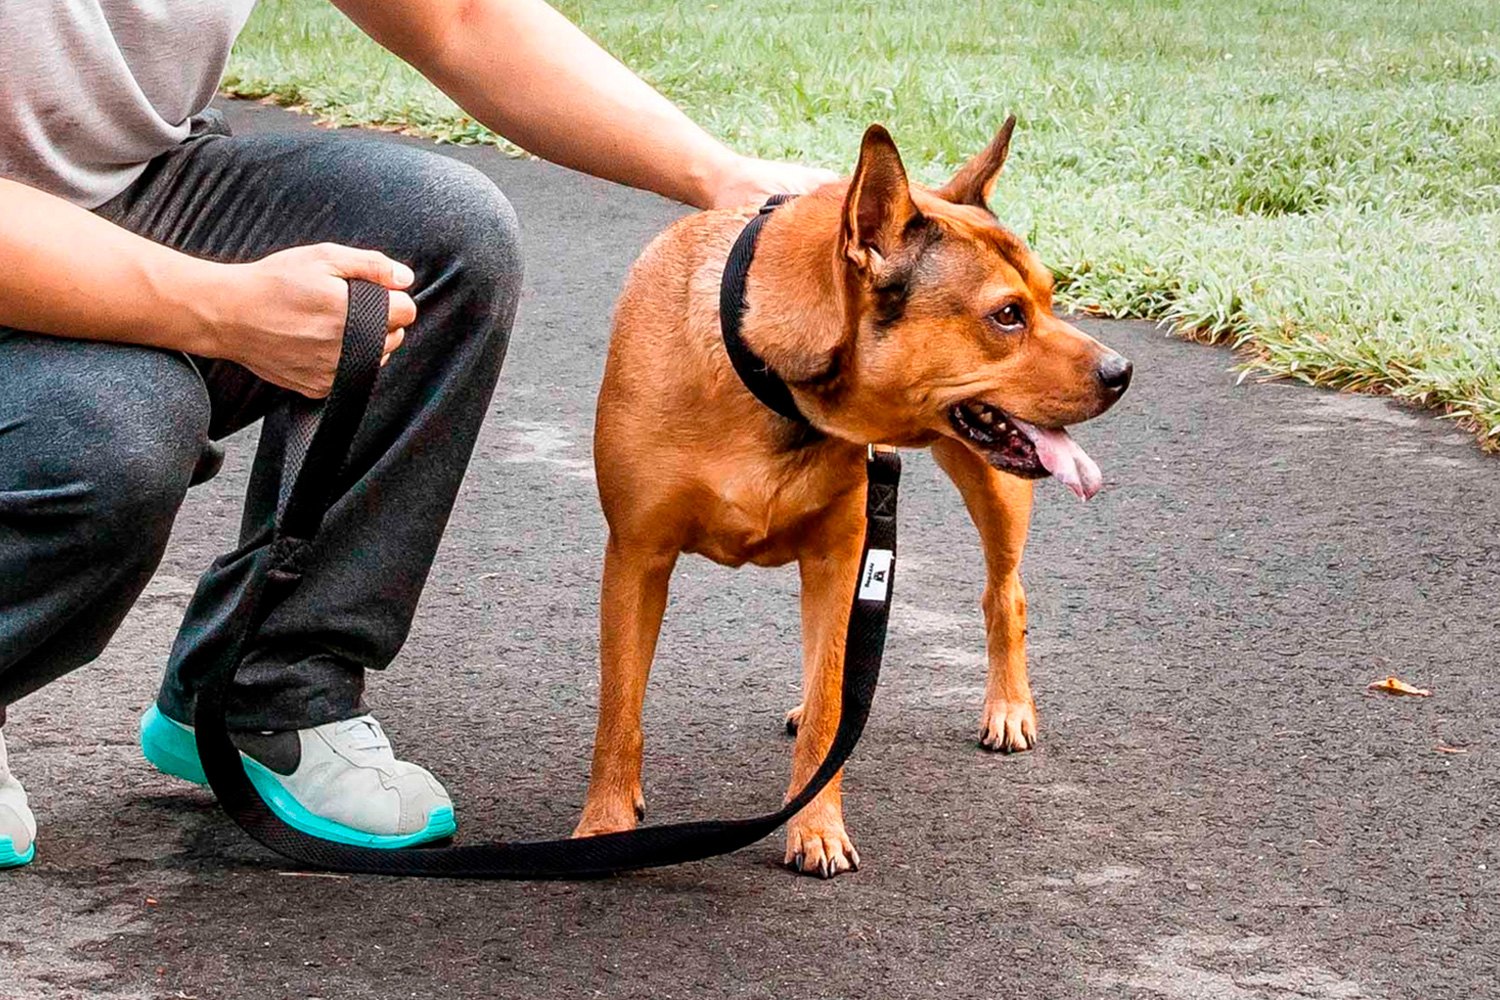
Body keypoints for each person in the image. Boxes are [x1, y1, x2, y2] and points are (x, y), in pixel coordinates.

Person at [0, 0, 836, 868]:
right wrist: (219, 308)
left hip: (133, 190)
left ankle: (269, 691)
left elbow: (462, 18)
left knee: (441, 236)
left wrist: (723, 177)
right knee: (114, 429)